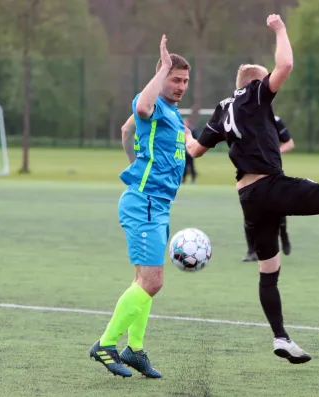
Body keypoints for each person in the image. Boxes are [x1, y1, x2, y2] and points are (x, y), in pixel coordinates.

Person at [184, 14, 319, 364]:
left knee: (268, 271)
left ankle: (281, 337)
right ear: (256, 83)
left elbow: (194, 150)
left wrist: (183, 134)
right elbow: (285, 63)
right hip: (270, 185)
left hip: (248, 197)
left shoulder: (222, 109)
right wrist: (280, 29)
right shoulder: (254, 94)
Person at [89, 35, 190, 378]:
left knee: (146, 281)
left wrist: (137, 164)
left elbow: (125, 129)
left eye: (184, 80)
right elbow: (141, 111)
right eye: (175, 79)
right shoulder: (152, 104)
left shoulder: (175, 115)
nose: (181, 86)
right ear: (161, 78)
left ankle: (135, 349)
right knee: (151, 280)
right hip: (144, 202)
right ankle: (105, 345)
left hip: (158, 204)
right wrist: (162, 67)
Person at [242, 114, 295, 262]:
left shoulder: (274, 120)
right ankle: (251, 251)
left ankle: (283, 233)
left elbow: (289, 143)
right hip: (250, 171)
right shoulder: (243, 119)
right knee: (249, 211)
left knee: (277, 208)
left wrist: (274, 152)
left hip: (272, 170)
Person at [182, 117, 198, 184]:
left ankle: (193, 179)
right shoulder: (181, 130)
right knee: (184, 166)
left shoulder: (192, 130)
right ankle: (184, 180)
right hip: (183, 152)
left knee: (191, 166)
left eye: (185, 122)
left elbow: (196, 139)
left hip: (190, 152)